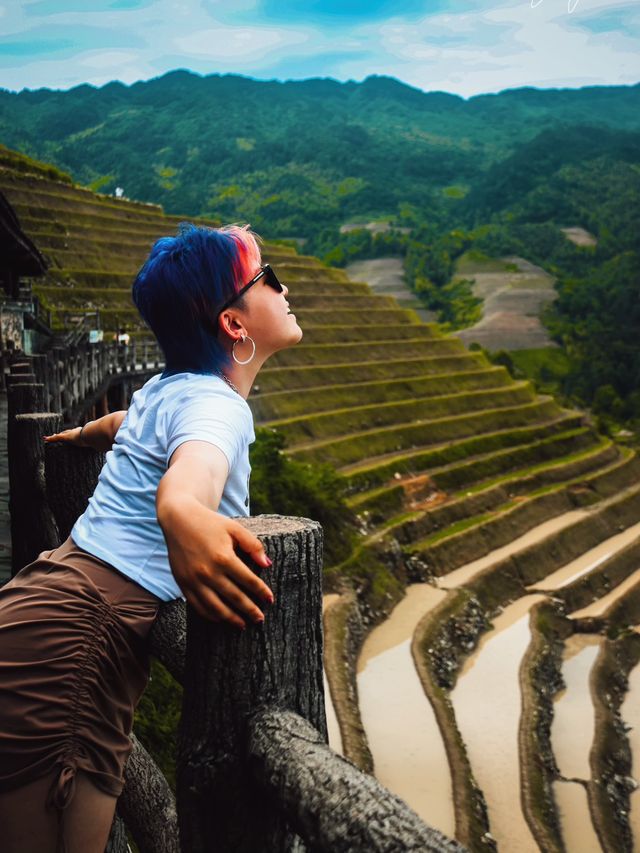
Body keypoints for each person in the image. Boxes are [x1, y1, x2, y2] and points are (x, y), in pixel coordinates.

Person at [0, 223, 303, 853]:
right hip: (73, 651)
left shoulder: (169, 391)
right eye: (267, 277)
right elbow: (186, 486)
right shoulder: (220, 410)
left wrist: (79, 435)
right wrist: (184, 515)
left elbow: (125, 423)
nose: (284, 286)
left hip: (46, 608)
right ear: (233, 325)